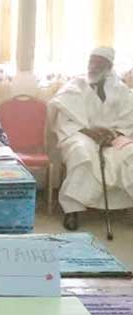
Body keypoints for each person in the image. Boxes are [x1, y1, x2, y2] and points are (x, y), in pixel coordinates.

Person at [49, 47, 133, 230]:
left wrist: (114, 135)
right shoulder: (75, 86)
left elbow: (128, 119)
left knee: (130, 152)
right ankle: (72, 210)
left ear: (109, 66)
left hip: (113, 137)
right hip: (81, 134)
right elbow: (65, 119)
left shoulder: (122, 90)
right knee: (81, 152)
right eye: (91, 62)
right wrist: (89, 132)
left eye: (99, 63)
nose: (93, 66)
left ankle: (126, 205)